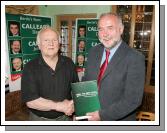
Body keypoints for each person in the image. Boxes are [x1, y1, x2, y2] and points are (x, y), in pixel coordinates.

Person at [84, 13, 145, 121]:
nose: (105, 34)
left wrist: (101, 115)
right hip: (89, 116)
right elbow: (86, 82)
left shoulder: (135, 58)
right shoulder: (93, 51)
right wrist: (79, 107)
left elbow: (132, 100)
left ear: (121, 29)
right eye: (101, 29)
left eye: (110, 28)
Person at [21, 27, 79, 121]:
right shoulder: (30, 67)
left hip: (65, 118)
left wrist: (77, 112)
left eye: (54, 40)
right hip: (39, 121)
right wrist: (59, 106)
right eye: (46, 40)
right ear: (39, 45)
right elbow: (31, 101)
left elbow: (76, 90)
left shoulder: (69, 63)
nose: (51, 43)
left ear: (59, 44)